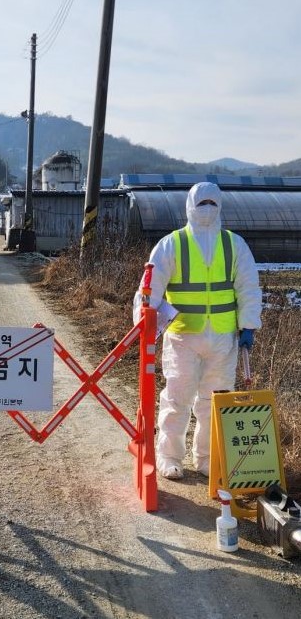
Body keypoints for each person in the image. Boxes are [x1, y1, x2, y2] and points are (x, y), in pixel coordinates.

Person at [133, 181, 262, 480]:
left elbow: (248, 288)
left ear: (220, 206)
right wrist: (144, 324)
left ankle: (207, 458)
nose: (206, 209)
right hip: (183, 336)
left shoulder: (234, 244)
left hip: (223, 338)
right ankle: (168, 456)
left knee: (214, 401)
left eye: (211, 203)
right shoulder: (171, 244)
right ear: (190, 205)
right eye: (201, 203)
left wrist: (248, 325)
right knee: (177, 398)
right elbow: (149, 290)